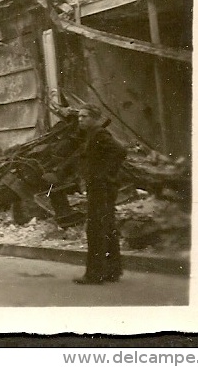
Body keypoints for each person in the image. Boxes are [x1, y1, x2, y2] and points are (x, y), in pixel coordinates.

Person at [74, 104, 127, 285]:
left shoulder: (99, 133)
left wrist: (105, 175)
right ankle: (113, 271)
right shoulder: (91, 134)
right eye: (79, 117)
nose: (80, 119)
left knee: (96, 229)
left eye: (85, 116)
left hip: (101, 188)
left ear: (94, 118)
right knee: (107, 227)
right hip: (102, 187)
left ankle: (94, 275)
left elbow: (120, 151)